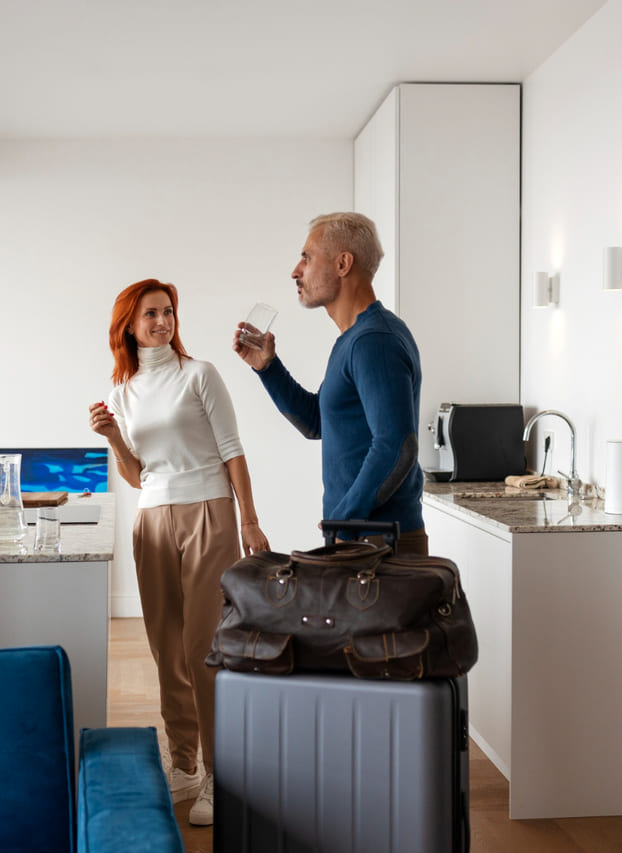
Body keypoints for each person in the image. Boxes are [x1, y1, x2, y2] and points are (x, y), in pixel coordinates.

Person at [89, 278, 269, 827]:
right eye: (151, 314)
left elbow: (233, 452)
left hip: (209, 513)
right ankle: (184, 764)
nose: (162, 322)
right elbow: (138, 475)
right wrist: (114, 438)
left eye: (168, 312)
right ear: (130, 325)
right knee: (165, 648)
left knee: (203, 649)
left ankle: (218, 773)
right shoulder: (122, 393)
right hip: (153, 520)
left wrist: (250, 521)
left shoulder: (200, 375)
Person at [233, 212, 428, 555]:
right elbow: (317, 423)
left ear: (343, 263)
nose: (296, 270)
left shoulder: (374, 341)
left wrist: (345, 521)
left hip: (376, 542)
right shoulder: (354, 339)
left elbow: (397, 446)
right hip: (360, 536)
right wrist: (268, 368)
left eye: (307, 257)